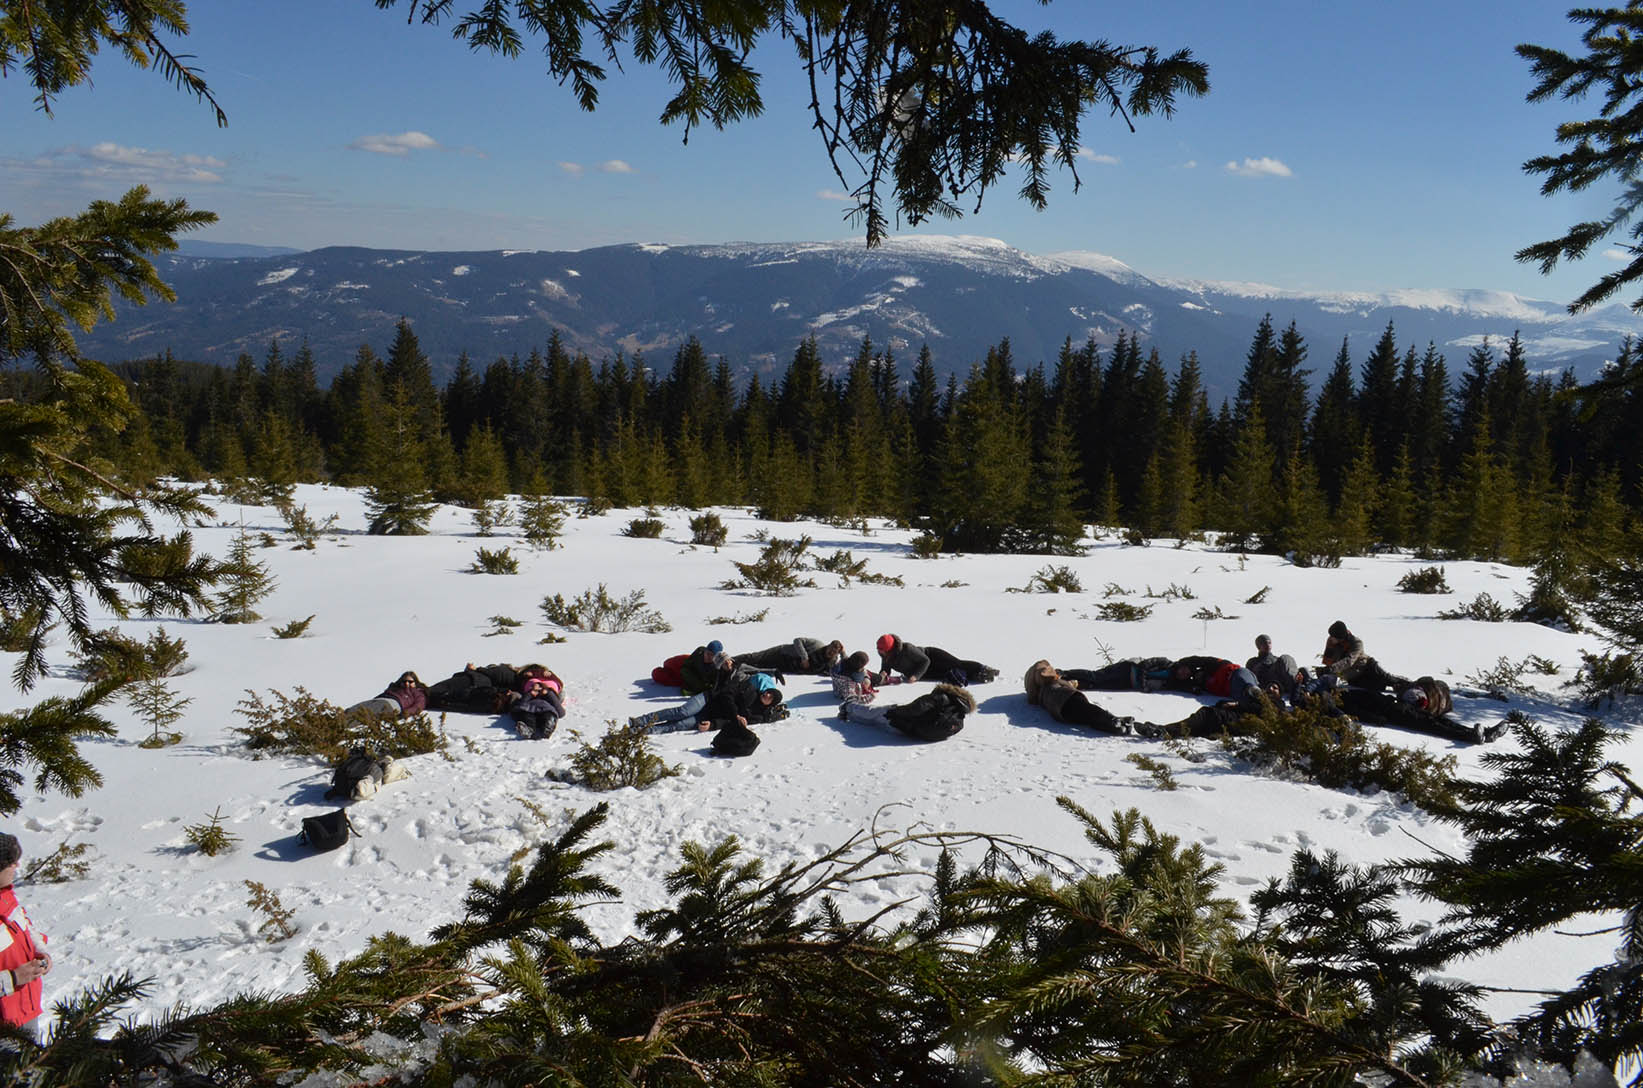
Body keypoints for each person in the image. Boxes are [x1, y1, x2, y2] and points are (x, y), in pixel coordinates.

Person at [0, 833, 51, 1033]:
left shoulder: (5, 896)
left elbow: (26, 928)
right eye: (11, 861)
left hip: (24, 1011)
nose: (17, 866)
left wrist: (42, 952)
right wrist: (13, 979)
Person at [629, 670, 786, 734]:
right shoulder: (749, 688)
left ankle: (642, 732)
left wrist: (713, 725)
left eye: (770, 697)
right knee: (682, 712)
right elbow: (727, 695)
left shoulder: (755, 715)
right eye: (768, 692)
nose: (767, 695)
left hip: (709, 715)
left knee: (679, 725)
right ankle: (641, 720)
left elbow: (731, 723)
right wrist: (735, 715)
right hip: (708, 698)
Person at [1023, 660, 1140, 735]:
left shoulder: (1041, 694)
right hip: (1065, 697)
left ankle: (1111, 725)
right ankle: (1113, 721)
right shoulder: (1046, 678)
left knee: (1087, 717)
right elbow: (1044, 672)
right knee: (1087, 709)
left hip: (1059, 712)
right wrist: (1057, 677)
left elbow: (1033, 698)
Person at [840, 683, 973, 741]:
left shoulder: (940, 698)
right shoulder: (959, 713)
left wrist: (895, 712)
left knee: (875, 712)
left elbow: (915, 708)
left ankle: (848, 706)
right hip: (916, 732)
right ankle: (851, 715)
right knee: (877, 721)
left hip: (903, 725)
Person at [1319, 621, 1410, 694]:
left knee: (1387, 679)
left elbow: (1349, 660)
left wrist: (1331, 669)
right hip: (1353, 675)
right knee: (1375, 687)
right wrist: (1326, 672)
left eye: (1334, 637)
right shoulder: (1331, 641)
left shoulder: (1356, 642)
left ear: (1341, 637)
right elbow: (1328, 659)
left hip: (1367, 667)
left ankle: (1409, 686)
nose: (1331, 639)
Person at [874, 634, 998, 686]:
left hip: (932, 657)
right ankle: (975, 676)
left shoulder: (907, 648)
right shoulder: (886, 656)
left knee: (957, 664)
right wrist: (883, 674)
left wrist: (915, 676)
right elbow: (885, 668)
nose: (880, 652)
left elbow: (925, 661)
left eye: (882, 649)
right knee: (949, 673)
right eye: (879, 649)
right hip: (925, 672)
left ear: (890, 648)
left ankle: (983, 669)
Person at [733, 638, 844, 676]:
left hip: (785, 667)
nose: (830, 653)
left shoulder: (831, 662)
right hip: (782, 653)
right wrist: (804, 657)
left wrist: (843, 653)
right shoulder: (816, 644)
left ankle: (734, 669)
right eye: (830, 649)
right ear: (828, 645)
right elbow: (798, 640)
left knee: (757, 668)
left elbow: (846, 666)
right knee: (754, 658)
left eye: (834, 652)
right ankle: (730, 660)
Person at [346, 671, 428, 720]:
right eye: (404, 681)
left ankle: (364, 713)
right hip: (385, 699)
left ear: (415, 682)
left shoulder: (418, 693)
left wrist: (406, 713)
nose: (407, 683)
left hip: (396, 703)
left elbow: (418, 706)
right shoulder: (395, 689)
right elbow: (382, 695)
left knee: (384, 705)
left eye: (410, 682)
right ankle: (349, 714)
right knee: (368, 707)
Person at [510, 673, 565, 739]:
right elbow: (519, 706)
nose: (538, 691)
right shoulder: (527, 696)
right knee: (527, 717)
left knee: (549, 716)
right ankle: (528, 730)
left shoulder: (548, 699)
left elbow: (561, 712)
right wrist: (530, 694)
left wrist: (548, 694)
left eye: (540, 688)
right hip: (528, 710)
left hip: (546, 709)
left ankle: (548, 728)